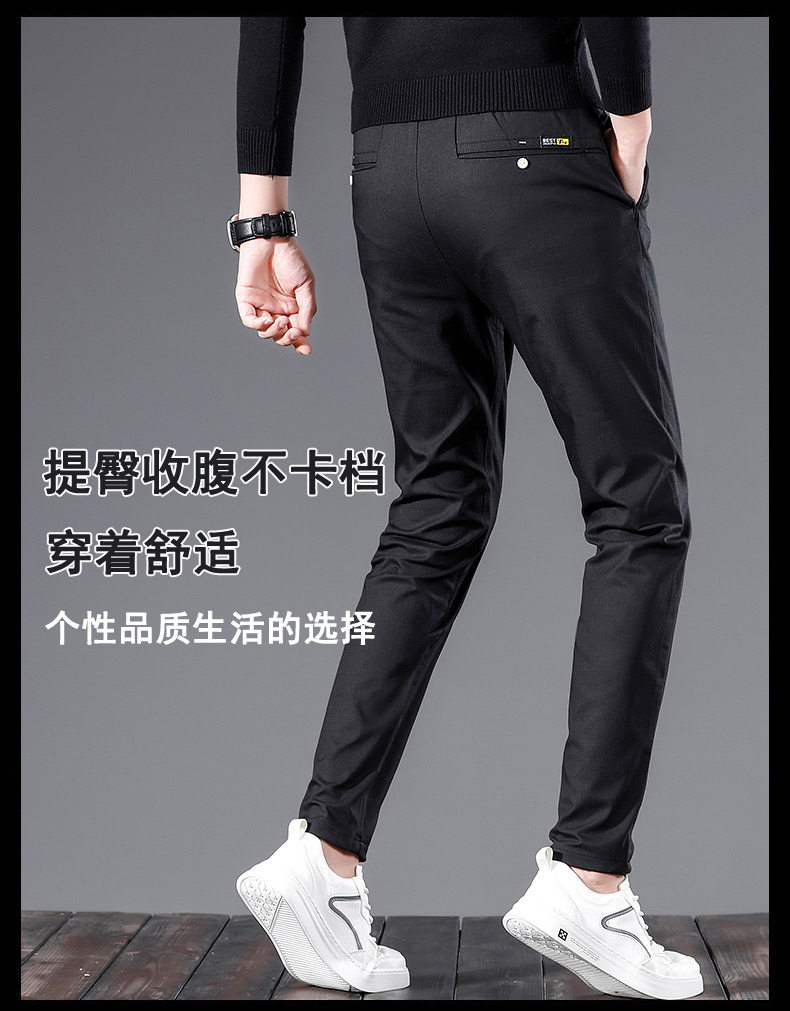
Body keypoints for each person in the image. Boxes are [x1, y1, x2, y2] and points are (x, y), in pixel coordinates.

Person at [230, 16, 703, 1000]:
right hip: (536, 141)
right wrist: (631, 117)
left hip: (384, 170)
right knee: (638, 507)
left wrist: (262, 221)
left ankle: (322, 854)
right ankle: (589, 876)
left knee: (436, 503)